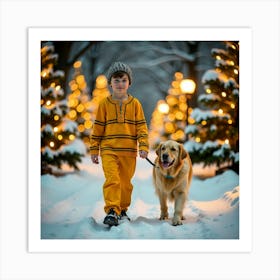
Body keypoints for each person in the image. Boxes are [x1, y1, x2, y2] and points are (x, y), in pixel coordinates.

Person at [90, 62, 149, 226]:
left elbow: (142, 127)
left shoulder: (135, 104)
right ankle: (112, 210)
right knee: (112, 180)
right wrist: (95, 150)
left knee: (125, 183)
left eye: (123, 80)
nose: (120, 84)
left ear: (129, 82)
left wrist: (143, 147)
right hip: (109, 150)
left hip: (129, 152)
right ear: (110, 83)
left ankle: (122, 209)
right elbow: (98, 128)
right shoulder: (104, 104)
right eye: (116, 80)